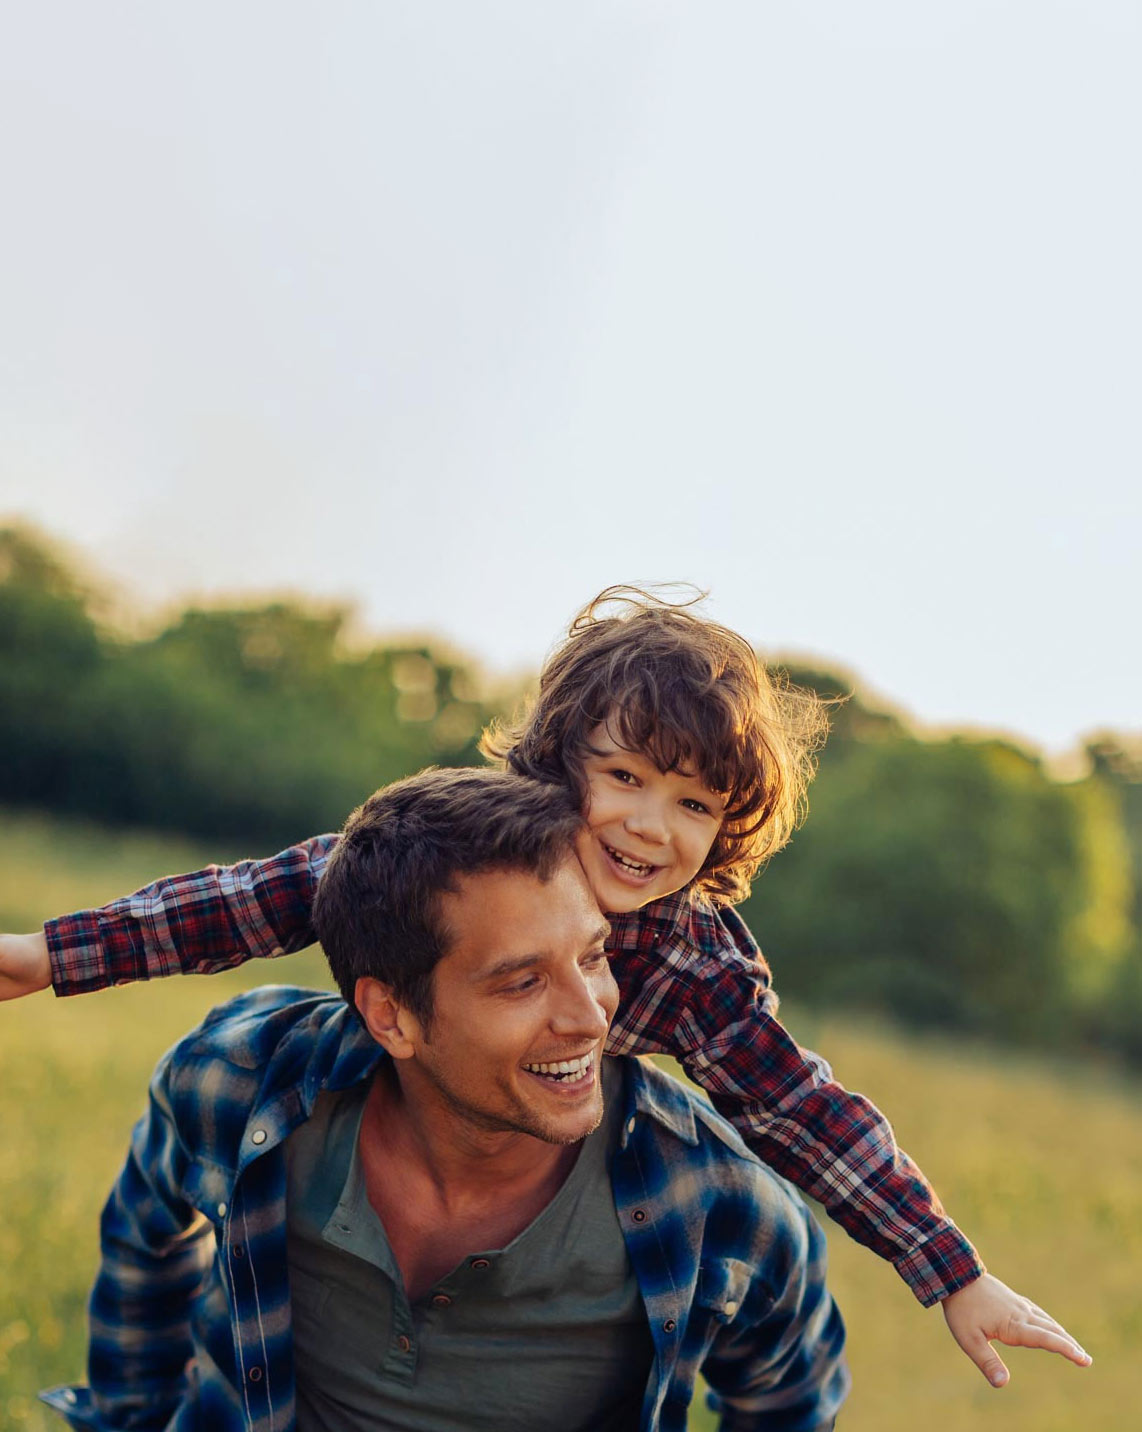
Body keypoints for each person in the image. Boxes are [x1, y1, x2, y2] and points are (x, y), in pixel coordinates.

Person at [8, 588, 1088, 1389]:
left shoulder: (694, 959)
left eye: (694, 804)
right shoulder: (468, 845)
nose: (648, 826)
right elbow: (263, 897)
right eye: (622, 777)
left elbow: (797, 1105)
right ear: (559, 758)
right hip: (407, 1107)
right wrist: (54, 956)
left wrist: (948, 1269)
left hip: (557, 1176)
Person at [42, 767, 849, 1432]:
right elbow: (147, 1237)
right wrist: (131, 1413)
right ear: (390, 1015)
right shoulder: (238, 1081)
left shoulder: (718, 1199)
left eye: (594, 958)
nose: (589, 1015)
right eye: (522, 981)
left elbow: (791, 1401)